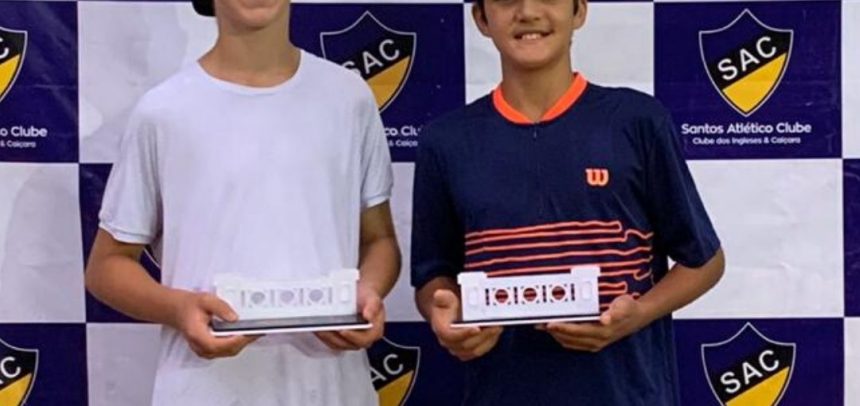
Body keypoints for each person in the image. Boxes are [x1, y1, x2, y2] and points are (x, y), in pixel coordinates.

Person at [85, 0, 400, 404]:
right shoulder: (164, 111)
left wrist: (368, 291)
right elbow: (107, 266)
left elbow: (379, 240)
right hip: (207, 390)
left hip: (332, 388)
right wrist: (180, 308)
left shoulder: (348, 98)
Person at [411, 0, 725, 404]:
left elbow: (704, 261)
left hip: (626, 393)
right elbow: (433, 276)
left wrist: (638, 315)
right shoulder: (446, 141)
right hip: (502, 392)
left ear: (579, 11)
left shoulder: (638, 121)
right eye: (507, 0)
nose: (528, 11)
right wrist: (445, 313)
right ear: (481, 19)